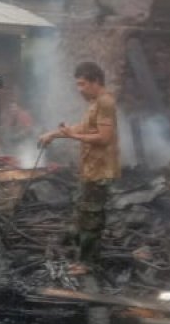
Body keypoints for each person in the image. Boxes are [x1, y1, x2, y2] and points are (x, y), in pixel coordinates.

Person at [39, 62, 120, 267]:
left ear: (96, 81)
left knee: (91, 217)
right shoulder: (95, 103)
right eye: (77, 84)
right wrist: (54, 134)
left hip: (100, 169)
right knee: (84, 213)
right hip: (91, 168)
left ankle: (87, 264)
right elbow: (82, 128)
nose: (79, 89)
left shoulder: (105, 103)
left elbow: (104, 137)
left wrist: (73, 136)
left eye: (82, 84)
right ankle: (83, 256)